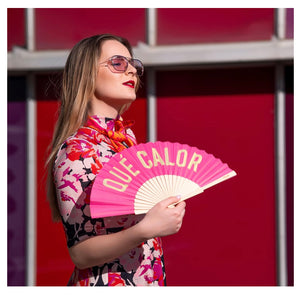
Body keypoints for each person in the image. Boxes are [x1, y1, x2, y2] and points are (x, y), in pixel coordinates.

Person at [46, 34, 186, 286]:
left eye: (134, 65)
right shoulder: (78, 149)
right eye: (118, 63)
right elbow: (80, 253)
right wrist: (146, 228)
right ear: (87, 73)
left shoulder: (125, 141)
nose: (132, 70)